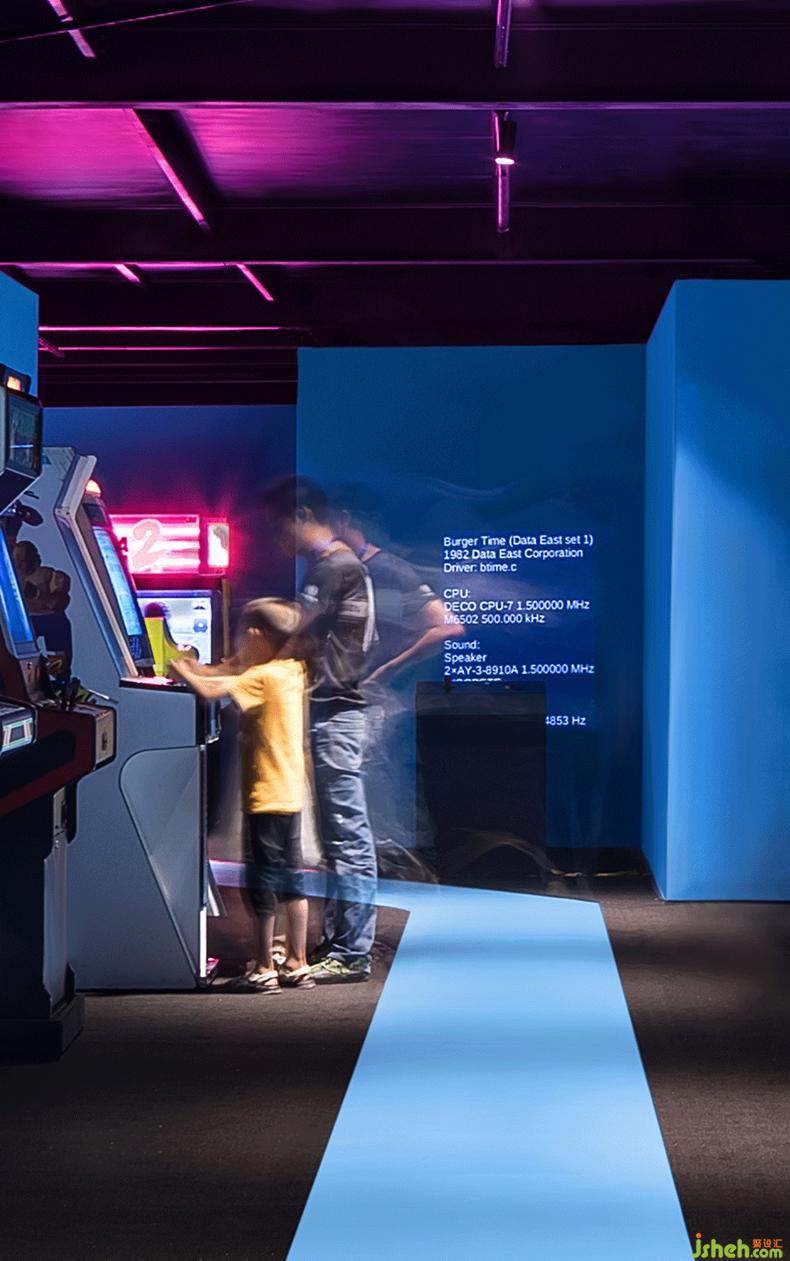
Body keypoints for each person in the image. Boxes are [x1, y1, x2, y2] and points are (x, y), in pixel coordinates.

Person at [263, 476, 377, 984]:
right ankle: (343, 943)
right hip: (335, 713)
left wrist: (229, 670)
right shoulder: (341, 566)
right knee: (340, 837)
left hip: (335, 713)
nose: (277, 539)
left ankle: (352, 953)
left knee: (347, 837)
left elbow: (291, 634)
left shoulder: (333, 568)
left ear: (302, 515)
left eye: (279, 526)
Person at [171, 598, 313, 994]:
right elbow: (231, 671)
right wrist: (214, 665)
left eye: (243, 632)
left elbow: (208, 691)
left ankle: (264, 967)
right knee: (292, 881)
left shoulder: (261, 677)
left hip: (265, 797)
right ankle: (298, 962)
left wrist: (180, 669)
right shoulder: (291, 670)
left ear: (255, 634)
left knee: (261, 885)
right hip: (290, 794)